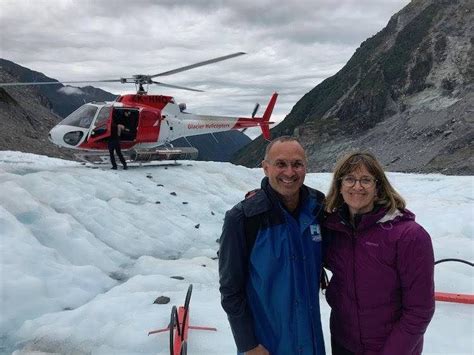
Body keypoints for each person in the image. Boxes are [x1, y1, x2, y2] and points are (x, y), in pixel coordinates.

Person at [219, 136, 326, 355]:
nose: (289, 172)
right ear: (265, 168)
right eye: (280, 164)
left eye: (297, 164)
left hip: (311, 342)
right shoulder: (244, 218)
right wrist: (247, 344)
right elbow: (231, 290)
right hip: (266, 346)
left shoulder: (317, 207)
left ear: (306, 167)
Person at [323, 152, 435, 355]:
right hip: (343, 343)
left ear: (378, 187)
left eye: (366, 180)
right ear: (339, 186)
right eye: (349, 179)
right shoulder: (334, 230)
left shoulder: (409, 236)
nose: (357, 186)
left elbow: (419, 310)